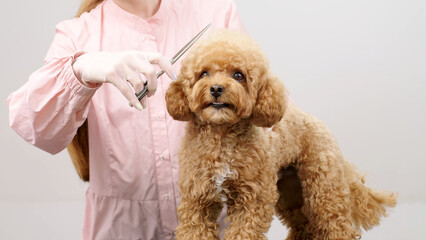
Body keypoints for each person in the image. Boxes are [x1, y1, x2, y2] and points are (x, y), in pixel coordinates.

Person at [7, 0, 244, 239]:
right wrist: (82, 69)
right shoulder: (77, 33)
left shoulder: (216, 12)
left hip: (215, 226)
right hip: (120, 230)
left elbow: (263, 110)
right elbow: (34, 127)